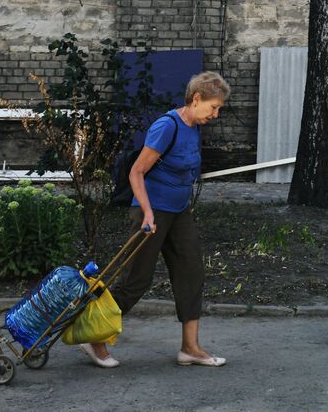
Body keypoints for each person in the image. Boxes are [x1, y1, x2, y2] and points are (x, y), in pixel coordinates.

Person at [80, 71, 229, 369]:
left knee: (191, 273)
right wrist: (147, 211)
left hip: (177, 213)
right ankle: (95, 338)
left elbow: (183, 171)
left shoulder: (195, 126)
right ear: (196, 98)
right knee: (137, 279)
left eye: (218, 109)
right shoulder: (167, 126)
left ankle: (190, 348)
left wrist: (184, 204)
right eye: (213, 107)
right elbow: (137, 172)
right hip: (151, 212)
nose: (215, 114)